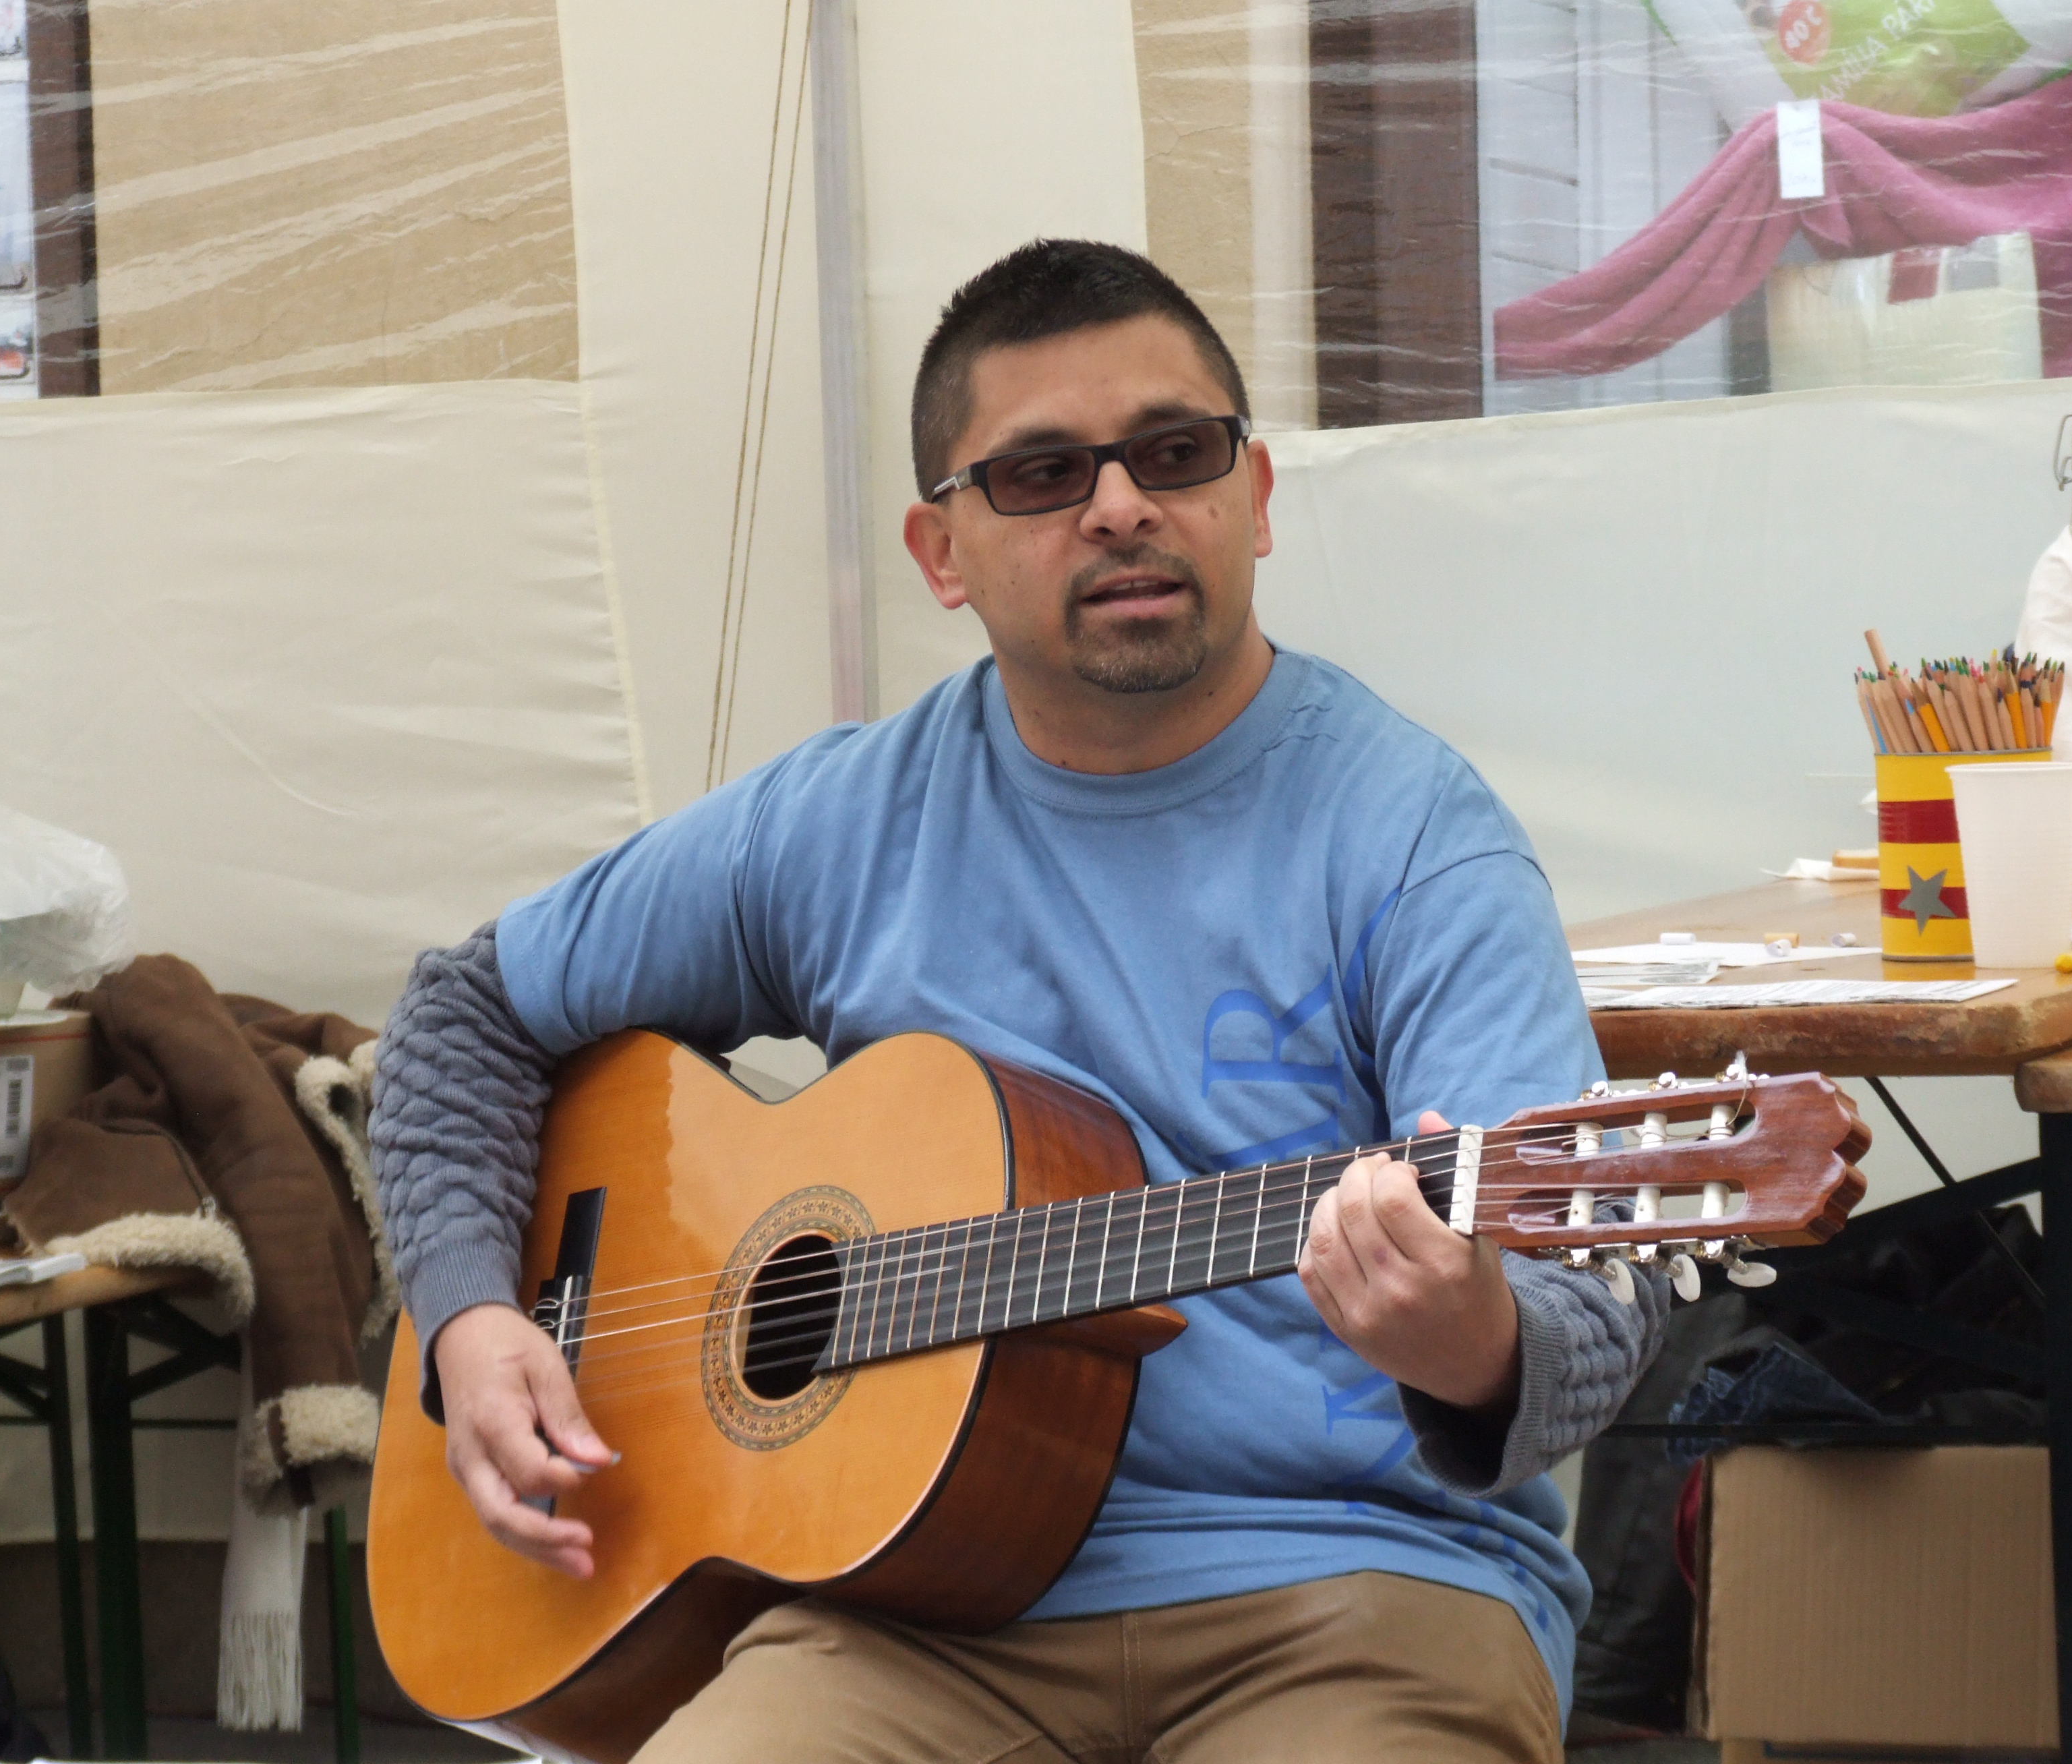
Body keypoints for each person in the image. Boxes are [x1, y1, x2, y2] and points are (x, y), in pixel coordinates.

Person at [372, 237, 1666, 1763]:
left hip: (1360, 1586)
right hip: (904, 1612)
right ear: (941, 553)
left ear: (1253, 499)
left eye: (1173, 453)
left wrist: (1478, 1340)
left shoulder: (1418, 836)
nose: (1120, 506)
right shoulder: (841, 820)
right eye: (1044, 474)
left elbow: (1595, 1292)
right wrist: (471, 1318)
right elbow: (467, 1016)